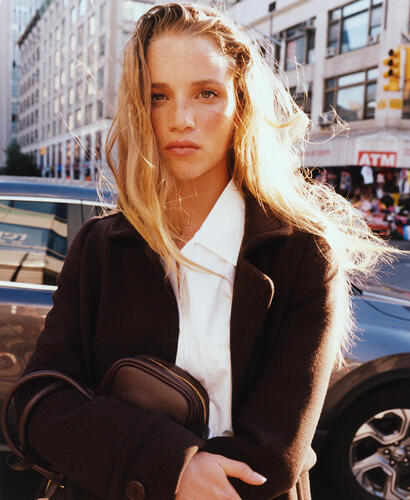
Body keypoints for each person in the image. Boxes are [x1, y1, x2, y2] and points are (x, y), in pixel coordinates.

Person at [16, 3, 403, 500]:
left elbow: (274, 457)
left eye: (206, 93)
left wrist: (107, 438)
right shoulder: (99, 247)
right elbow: (35, 404)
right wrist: (172, 468)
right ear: (137, 108)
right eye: (158, 96)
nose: (180, 119)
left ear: (241, 104)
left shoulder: (303, 253)